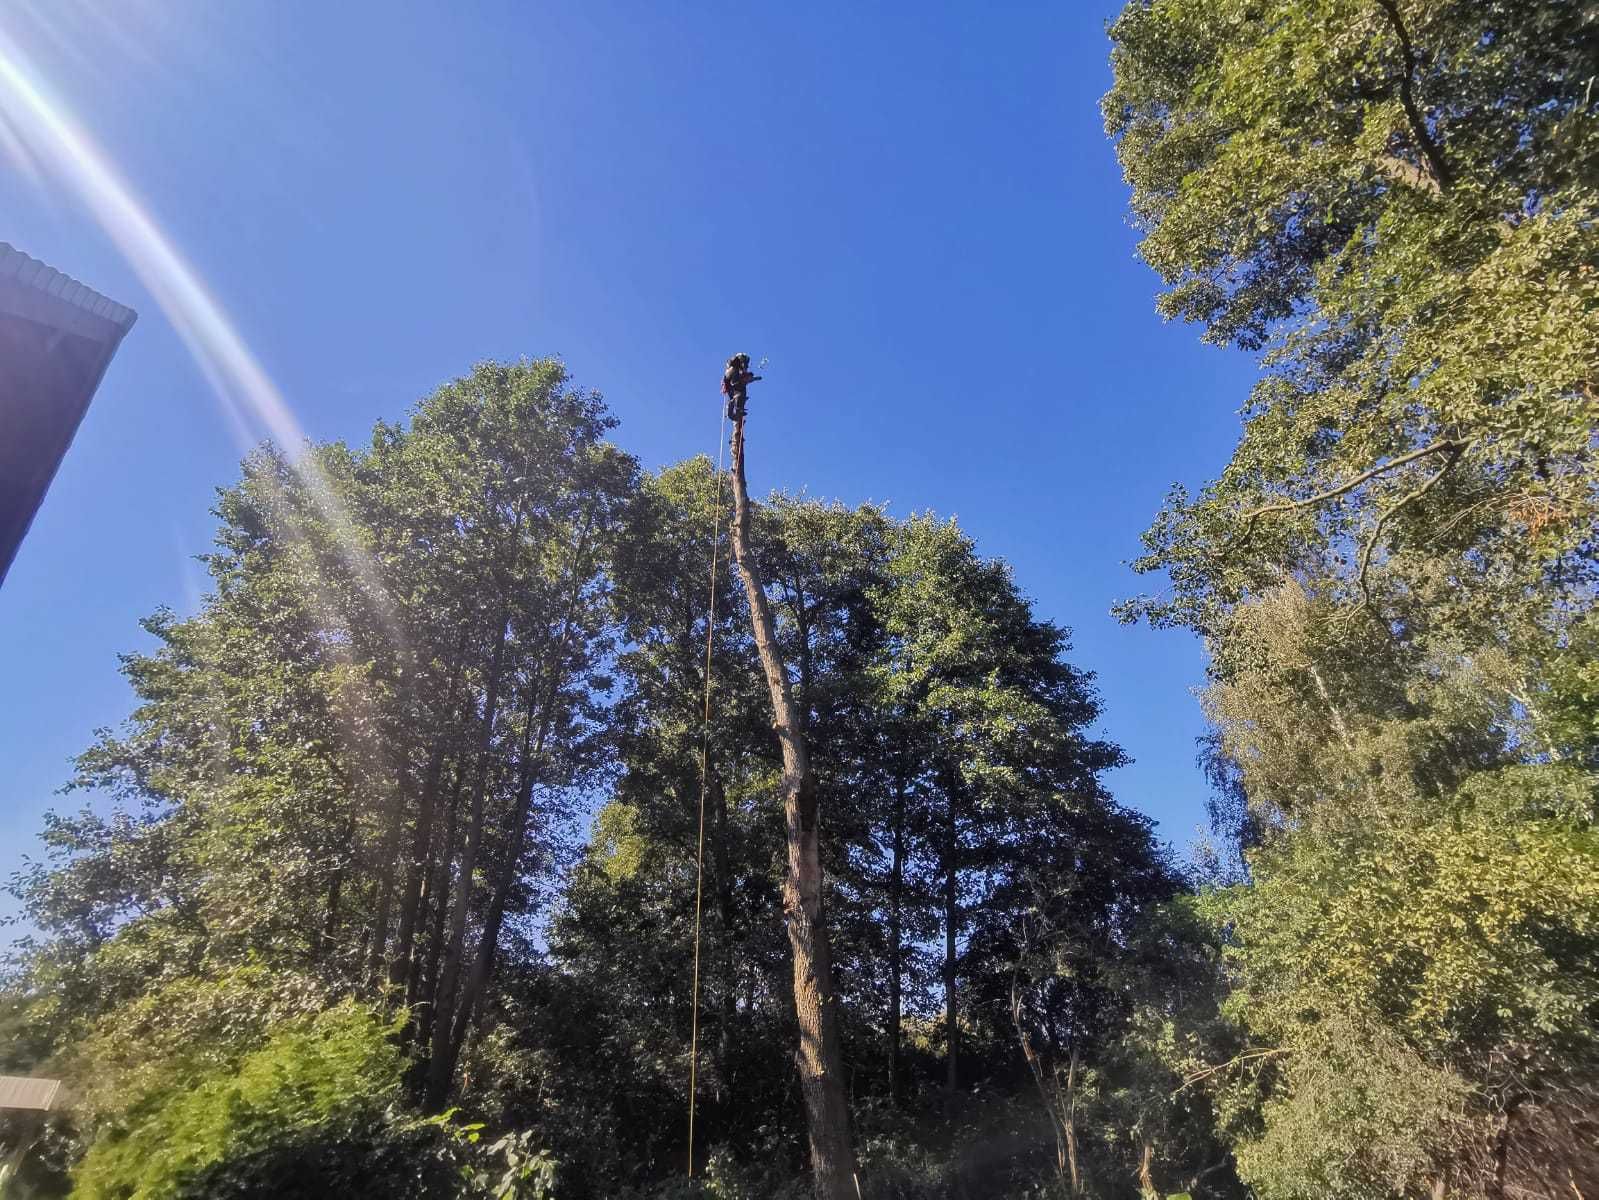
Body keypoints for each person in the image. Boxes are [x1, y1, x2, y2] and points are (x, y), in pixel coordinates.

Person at [722, 353, 761, 419]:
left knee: (738, 394)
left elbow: (742, 376)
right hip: (733, 384)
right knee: (741, 393)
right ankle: (737, 409)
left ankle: (734, 408)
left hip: (730, 384)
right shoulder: (738, 367)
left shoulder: (734, 366)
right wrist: (753, 378)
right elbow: (743, 378)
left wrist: (752, 377)